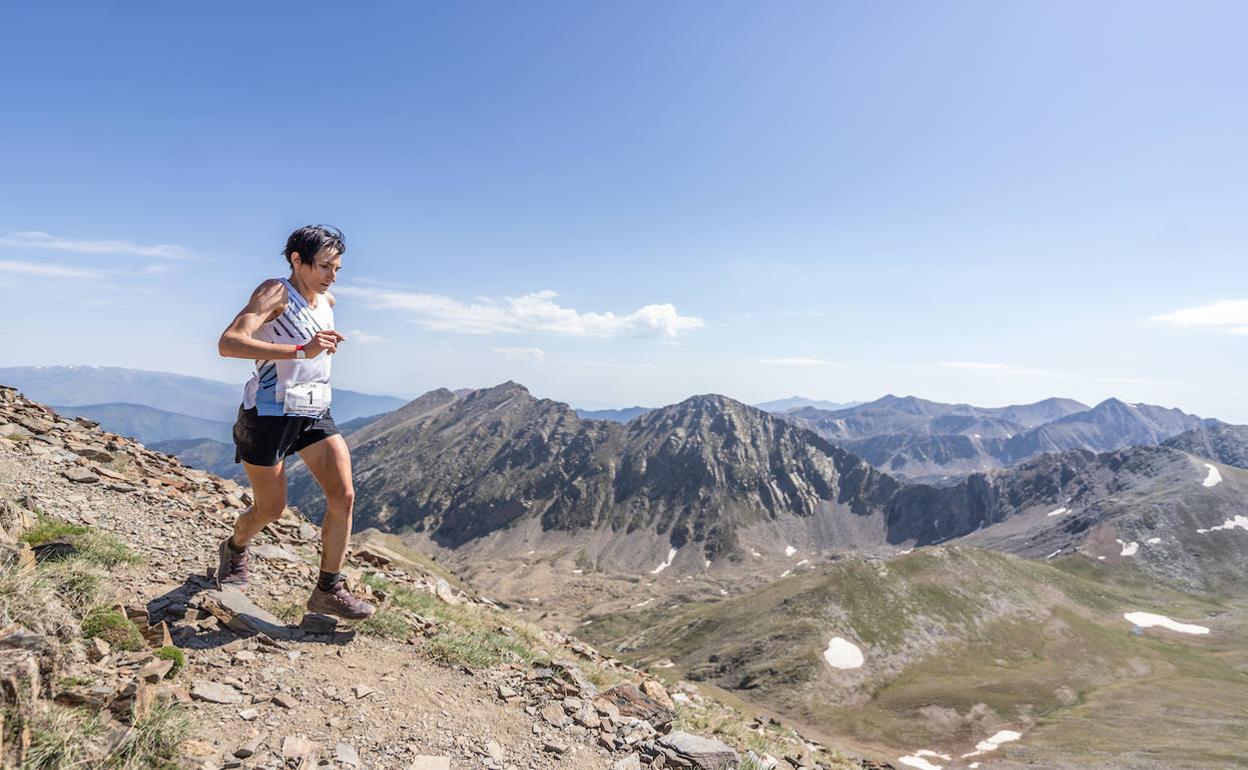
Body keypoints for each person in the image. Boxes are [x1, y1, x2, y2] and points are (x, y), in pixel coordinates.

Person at [213, 224, 375, 620]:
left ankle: (328, 589)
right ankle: (234, 547)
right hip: (268, 414)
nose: (332, 276)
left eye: (337, 267)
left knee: (344, 496)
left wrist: (315, 352)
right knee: (271, 510)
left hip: (314, 411)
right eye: (323, 266)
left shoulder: (327, 300)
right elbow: (228, 343)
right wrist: (302, 350)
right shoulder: (275, 292)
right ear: (296, 260)